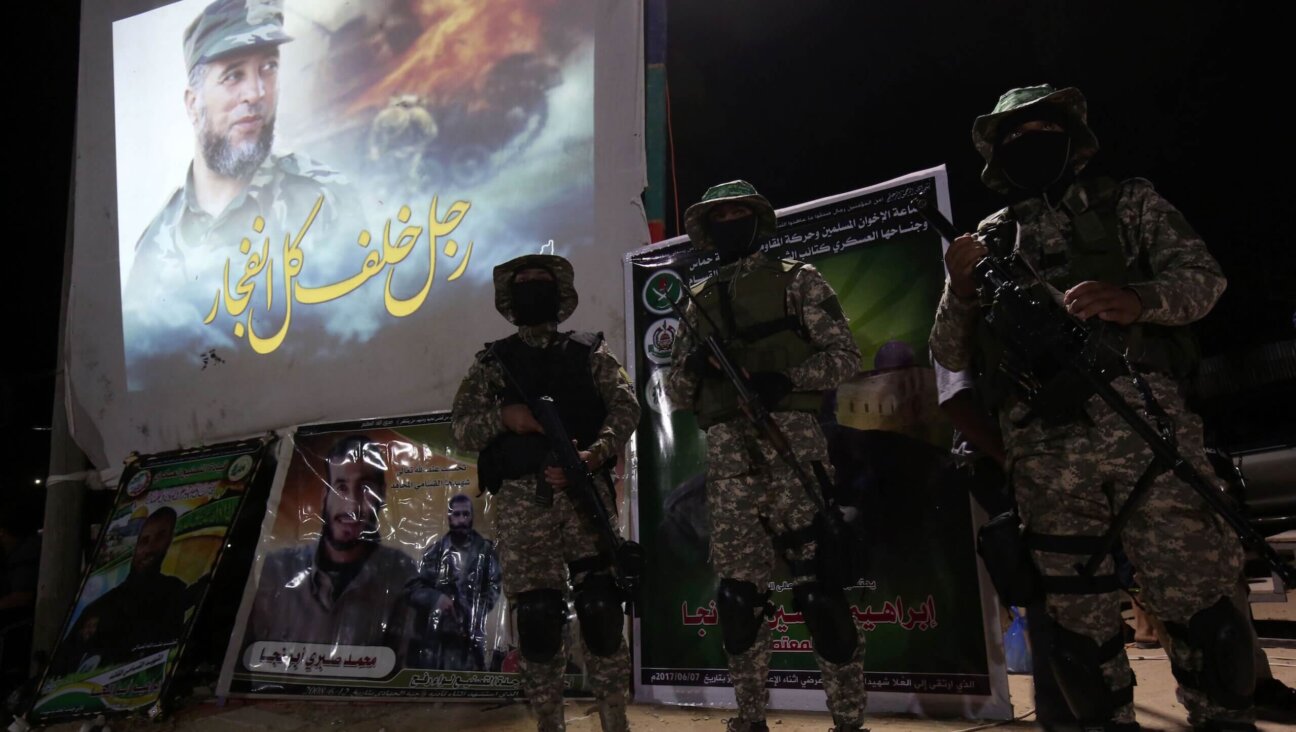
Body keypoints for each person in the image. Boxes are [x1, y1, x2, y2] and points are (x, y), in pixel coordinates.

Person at [930, 84, 1255, 731]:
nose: (1028, 145)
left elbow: (1205, 281)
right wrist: (961, 290)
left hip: (1148, 435)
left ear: (1071, 137)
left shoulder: (1128, 202)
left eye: (1041, 130)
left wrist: (1137, 299)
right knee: (1078, 639)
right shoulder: (990, 239)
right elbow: (946, 350)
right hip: (1048, 461)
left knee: (1203, 615)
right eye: (1013, 139)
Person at [665, 181, 867, 732]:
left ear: (756, 220)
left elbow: (846, 355)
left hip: (793, 446)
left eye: (739, 213)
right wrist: (695, 370)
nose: (731, 221)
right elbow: (677, 396)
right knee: (738, 598)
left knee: (819, 589)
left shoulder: (797, 280)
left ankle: (849, 721)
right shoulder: (696, 301)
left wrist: (788, 379)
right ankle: (750, 718)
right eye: (720, 215)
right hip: (730, 462)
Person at [451, 253, 640, 732]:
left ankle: (615, 720)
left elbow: (626, 406)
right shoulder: (493, 364)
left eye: (542, 281)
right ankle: (549, 723)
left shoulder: (589, 352)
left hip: (583, 496)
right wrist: (505, 419)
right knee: (537, 617)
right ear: (510, 298)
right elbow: (463, 428)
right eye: (524, 283)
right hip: (521, 502)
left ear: (559, 295)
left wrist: (593, 455)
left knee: (600, 608)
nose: (533, 288)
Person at [122, 0, 361, 368]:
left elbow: (362, 343)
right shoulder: (155, 249)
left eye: (268, 68)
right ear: (192, 104)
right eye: (233, 75)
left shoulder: (324, 198)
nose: (256, 93)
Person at [244, 436, 415, 654]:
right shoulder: (275, 571)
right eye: (341, 487)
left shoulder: (403, 576)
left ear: (381, 494)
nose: (352, 505)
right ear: (325, 496)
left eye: (365, 488)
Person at [66, 508, 191, 667]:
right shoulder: (98, 606)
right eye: (144, 541)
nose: (149, 549)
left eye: (160, 537)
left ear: (169, 540)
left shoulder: (175, 590)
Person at [406, 493, 502, 671]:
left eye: (466, 514)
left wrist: (474, 610)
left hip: (471, 636)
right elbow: (415, 589)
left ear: (472, 516)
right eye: (456, 514)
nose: (461, 519)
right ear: (449, 517)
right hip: (438, 638)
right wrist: (436, 599)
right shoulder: (434, 552)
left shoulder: (485, 551)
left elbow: (494, 584)